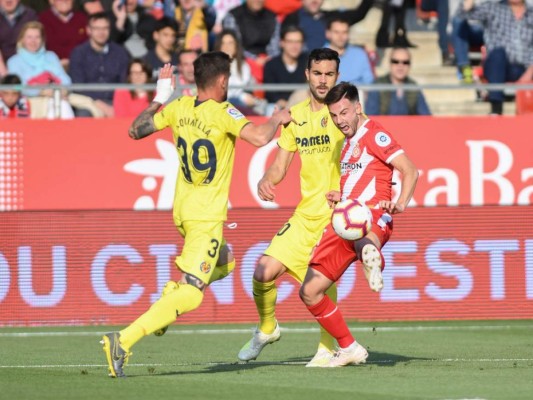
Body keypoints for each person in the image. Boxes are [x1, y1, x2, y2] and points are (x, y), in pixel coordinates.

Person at [100, 51, 294, 378]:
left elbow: (135, 130)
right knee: (191, 293)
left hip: (183, 211)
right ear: (221, 81)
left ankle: (167, 301)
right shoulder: (223, 112)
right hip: (205, 218)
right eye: (228, 80)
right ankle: (123, 340)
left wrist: (160, 97)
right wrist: (277, 118)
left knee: (227, 261)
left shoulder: (179, 107)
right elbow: (261, 137)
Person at [237, 48, 346, 367]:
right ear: (307, 75)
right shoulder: (296, 116)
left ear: (336, 77)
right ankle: (267, 328)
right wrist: (265, 180)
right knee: (262, 272)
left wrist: (346, 190)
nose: (323, 80)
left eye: (329, 74)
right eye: (317, 73)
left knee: (320, 283)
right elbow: (280, 165)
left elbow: (361, 156)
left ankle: (329, 347)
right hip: (304, 216)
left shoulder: (344, 113)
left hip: (335, 217)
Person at [299, 81, 418, 367]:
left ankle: (372, 258)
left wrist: (400, 203)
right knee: (310, 291)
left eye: (344, 113)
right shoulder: (347, 143)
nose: (340, 121)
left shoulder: (374, 134)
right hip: (344, 218)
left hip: (373, 214)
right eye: (334, 116)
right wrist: (341, 195)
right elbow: (360, 176)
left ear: (358, 108)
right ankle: (349, 347)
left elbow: (410, 170)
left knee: (365, 239)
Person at [458, 0, 533, 115]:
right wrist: (468, 3)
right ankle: (496, 108)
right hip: (495, 66)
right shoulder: (493, 8)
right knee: (498, 54)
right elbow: (463, 15)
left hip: (524, 68)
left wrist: (529, 73)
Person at [6, 21, 74, 118]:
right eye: (29, 37)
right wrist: (42, 91)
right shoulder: (13, 62)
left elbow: (66, 80)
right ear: (22, 39)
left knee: (61, 104)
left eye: (37, 37)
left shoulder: (51, 56)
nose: (33, 41)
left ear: (42, 40)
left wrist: (57, 92)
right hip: (31, 101)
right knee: (57, 104)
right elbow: (17, 87)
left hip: (57, 97)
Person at [69, 12, 130, 117]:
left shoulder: (120, 52)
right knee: (83, 114)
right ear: (89, 30)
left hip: (115, 101)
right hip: (88, 102)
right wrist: (101, 104)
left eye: (105, 28)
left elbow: (124, 81)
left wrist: (117, 105)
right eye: (97, 28)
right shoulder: (79, 53)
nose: (101, 32)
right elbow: (78, 85)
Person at [281, 0, 373, 53]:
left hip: (329, 67)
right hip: (303, 70)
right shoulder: (292, 19)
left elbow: (359, 14)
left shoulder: (330, 17)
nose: (314, 1)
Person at [365, 47, 431, 116]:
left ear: (409, 65)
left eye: (405, 62)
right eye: (395, 61)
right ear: (390, 64)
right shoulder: (378, 85)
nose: (400, 66)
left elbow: (426, 116)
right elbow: (370, 117)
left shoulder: (413, 87)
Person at [214, 29, 265, 115]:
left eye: (230, 43)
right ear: (219, 46)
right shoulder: (211, 66)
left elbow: (247, 89)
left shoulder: (244, 66)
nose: (227, 47)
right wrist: (243, 97)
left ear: (236, 46)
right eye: (223, 43)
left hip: (241, 105)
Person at [263, 25, 307, 113]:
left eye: (298, 42)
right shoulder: (271, 65)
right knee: (270, 109)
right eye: (290, 42)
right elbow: (270, 93)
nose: (294, 46)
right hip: (279, 106)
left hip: (303, 104)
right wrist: (283, 103)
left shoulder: (308, 62)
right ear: (282, 43)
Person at [38, 0, 88, 70]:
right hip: (52, 68)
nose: (64, 1)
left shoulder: (82, 18)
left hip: (81, 66)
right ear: (51, 1)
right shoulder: (42, 20)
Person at [325, 16, 374, 86]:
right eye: (336, 32)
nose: (340, 36)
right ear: (328, 33)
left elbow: (369, 81)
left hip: (356, 94)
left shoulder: (360, 54)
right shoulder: (318, 56)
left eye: (344, 32)